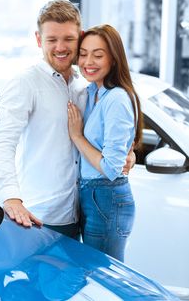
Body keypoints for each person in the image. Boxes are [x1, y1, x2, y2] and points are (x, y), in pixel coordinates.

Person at [0, 0, 135, 239]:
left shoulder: (84, 85)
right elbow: (2, 144)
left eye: (68, 39)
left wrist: (128, 154)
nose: (60, 47)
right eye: (52, 40)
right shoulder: (26, 83)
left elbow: (102, 136)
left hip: (79, 214)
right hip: (39, 217)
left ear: (81, 36)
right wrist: (11, 197)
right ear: (39, 40)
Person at [67, 24, 142, 261]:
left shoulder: (117, 99)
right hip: (93, 195)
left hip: (106, 196)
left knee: (104, 277)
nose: (88, 61)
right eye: (83, 53)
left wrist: (77, 136)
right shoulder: (93, 91)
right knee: (95, 274)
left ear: (114, 59)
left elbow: (111, 168)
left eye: (98, 55)